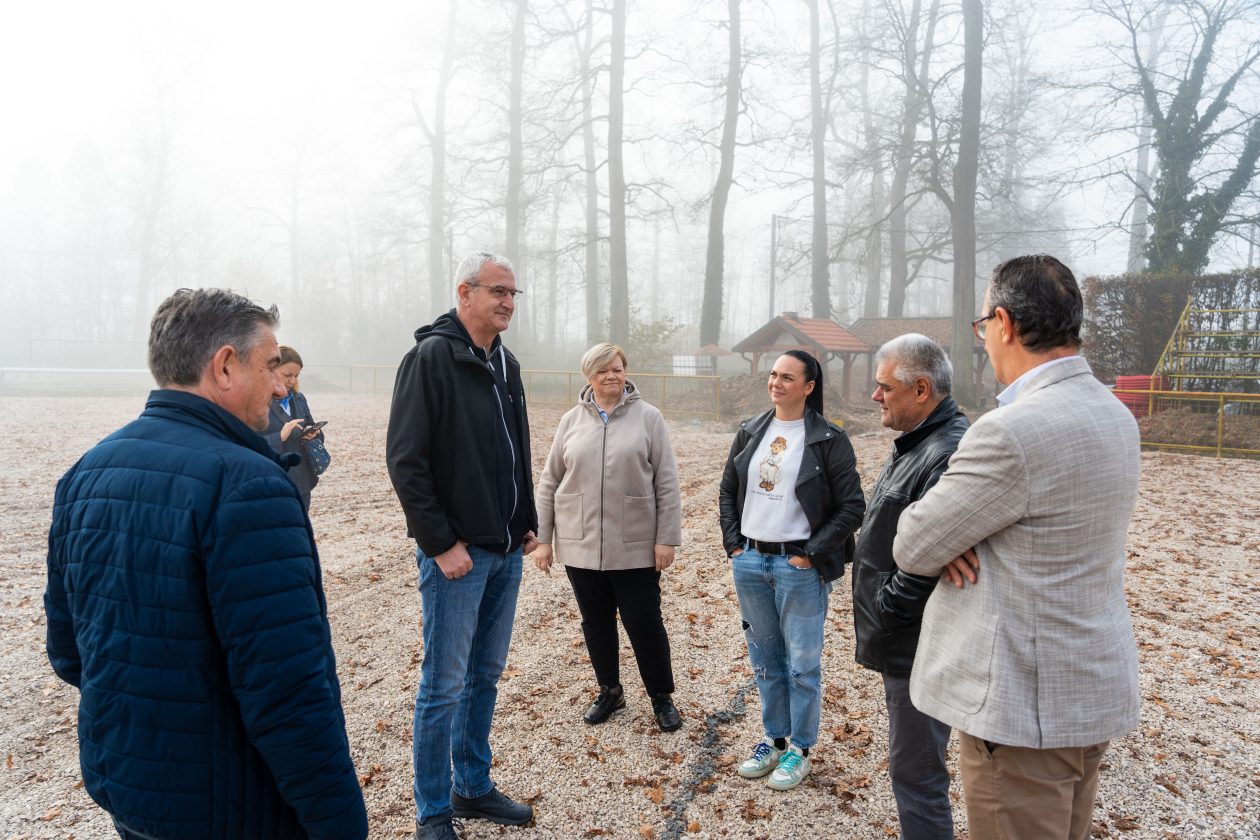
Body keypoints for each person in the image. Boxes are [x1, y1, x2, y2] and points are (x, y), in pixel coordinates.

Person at [44, 288, 368, 840]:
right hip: (232, 808)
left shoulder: (87, 472)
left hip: (130, 793)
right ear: (224, 366)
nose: (281, 386)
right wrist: (340, 823)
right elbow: (288, 692)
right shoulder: (250, 485)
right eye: (270, 366)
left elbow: (69, 652)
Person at [894, 255, 1142, 840]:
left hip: (1022, 709)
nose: (984, 340)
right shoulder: (1115, 413)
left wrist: (957, 537)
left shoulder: (1011, 430)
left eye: (983, 325)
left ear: (1003, 323)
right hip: (1087, 685)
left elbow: (914, 543)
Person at [386, 252, 540, 840]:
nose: (507, 302)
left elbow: (514, 449)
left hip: (505, 551)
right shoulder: (431, 358)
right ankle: (432, 811)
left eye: (513, 293)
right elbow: (406, 461)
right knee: (443, 686)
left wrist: (525, 519)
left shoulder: (506, 362)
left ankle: (471, 787)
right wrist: (440, 543)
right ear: (465, 292)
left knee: (485, 676)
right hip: (459, 557)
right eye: (498, 291)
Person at [718, 350, 865, 791]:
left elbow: (852, 507)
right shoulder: (751, 430)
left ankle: (800, 749)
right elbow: (728, 490)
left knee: (802, 665)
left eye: (787, 377)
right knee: (765, 660)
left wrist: (810, 554)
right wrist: (735, 545)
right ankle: (774, 740)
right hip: (750, 561)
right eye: (773, 375)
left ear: (809, 386)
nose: (776, 383)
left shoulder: (828, 439)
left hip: (798, 568)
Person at [851, 334, 969, 839]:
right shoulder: (917, 443)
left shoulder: (946, 452)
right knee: (913, 769)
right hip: (904, 639)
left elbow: (931, 558)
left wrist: (888, 608)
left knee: (917, 774)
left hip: (917, 644)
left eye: (884, 387)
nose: (875, 396)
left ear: (921, 389)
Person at [532, 343, 684, 732]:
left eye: (617, 368)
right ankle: (610, 691)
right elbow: (549, 481)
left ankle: (661, 696)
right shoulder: (570, 421)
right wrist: (544, 539)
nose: (611, 376)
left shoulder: (648, 418)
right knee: (596, 622)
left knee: (644, 622)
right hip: (580, 544)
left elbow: (666, 482)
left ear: (625, 372)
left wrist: (666, 538)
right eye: (602, 371)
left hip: (635, 545)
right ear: (589, 376)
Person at [264, 345, 325, 513]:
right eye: (287, 375)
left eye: (296, 376)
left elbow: (314, 429)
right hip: (273, 484)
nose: (292, 380)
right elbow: (245, 444)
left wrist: (314, 434)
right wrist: (279, 437)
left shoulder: (299, 399)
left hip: (303, 484)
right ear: (270, 370)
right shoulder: (256, 402)